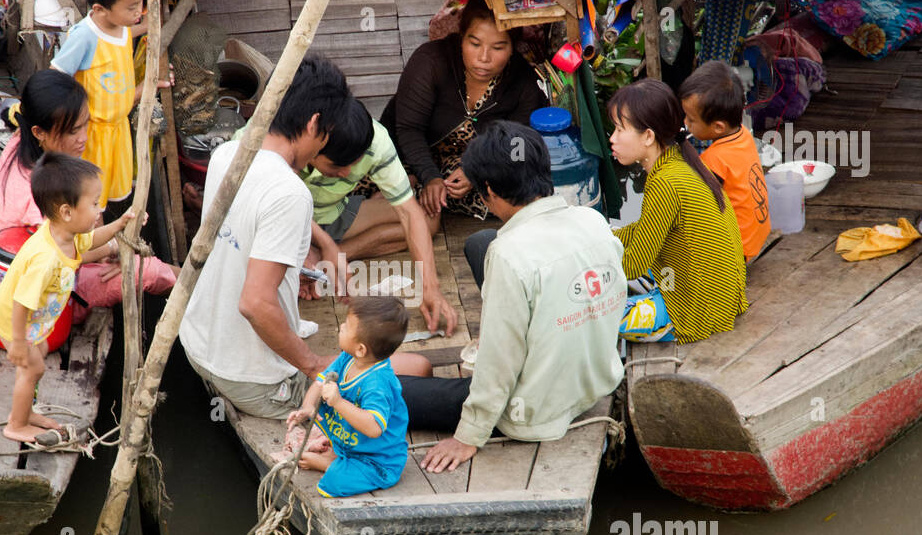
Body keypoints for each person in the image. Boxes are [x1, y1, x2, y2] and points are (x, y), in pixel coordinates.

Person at [179, 54, 429, 420]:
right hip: (255, 382)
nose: (321, 153)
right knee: (418, 367)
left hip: (197, 345)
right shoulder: (290, 192)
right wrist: (312, 368)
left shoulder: (229, 153)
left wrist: (327, 244)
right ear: (314, 123)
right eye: (326, 138)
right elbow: (255, 304)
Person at [403, 121, 627, 473]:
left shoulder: (509, 255)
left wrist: (468, 436)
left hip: (532, 410)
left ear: (488, 189)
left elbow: (499, 364)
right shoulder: (592, 220)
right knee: (481, 243)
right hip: (594, 382)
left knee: (393, 392)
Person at [0, 70, 176, 311]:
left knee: (139, 261)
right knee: (145, 270)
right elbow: (58, 256)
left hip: (38, 263)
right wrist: (115, 248)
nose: (83, 139)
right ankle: (204, 294)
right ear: (39, 132)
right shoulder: (40, 191)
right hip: (36, 297)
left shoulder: (23, 141)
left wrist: (108, 248)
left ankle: (203, 287)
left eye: (85, 125)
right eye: (73, 131)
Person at [0, 154, 140, 444]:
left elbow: (91, 241)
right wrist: (18, 342)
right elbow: (22, 301)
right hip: (13, 319)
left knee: (37, 359)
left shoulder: (65, 234)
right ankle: (16, 425)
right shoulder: (45, 259)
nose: (98, 211)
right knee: (33, 367)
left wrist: (118, 226)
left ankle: (25, 410)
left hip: (32, 322)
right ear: (67, 211)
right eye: (93, 204)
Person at [295, 97, 457, 334]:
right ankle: (310, 260)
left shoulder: (376, 139)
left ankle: (324, 260)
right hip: (285, 224)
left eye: (355, 164)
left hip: (333, 213)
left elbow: (410, 213)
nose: (347, 173)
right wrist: (300, 247)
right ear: (313, 142)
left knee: (427, 220)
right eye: (337, 166)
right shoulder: (280, 142)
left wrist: (431, 288)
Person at [607, 79, 747, 343]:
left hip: (698, 310)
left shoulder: (664, 182)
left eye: (618, 129)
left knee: (599, 316)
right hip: (721, 296)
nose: (612, 139)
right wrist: (606, 238)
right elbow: (645, 229)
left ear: (648, 136)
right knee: (614, 246)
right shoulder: (681, 160)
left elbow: (634, 265)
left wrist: (584, 268)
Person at [382, 0, 547, 219]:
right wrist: (429, 176)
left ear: (512, 49)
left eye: (498, 47)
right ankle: (407, 189)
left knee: (513, 197)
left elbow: (516, 144)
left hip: (466, 163)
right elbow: (408, 128)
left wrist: (478, 169)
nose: (484, 58)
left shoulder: (523, 82)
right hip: (405, 151)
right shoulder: (430, 61)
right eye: (475, 44)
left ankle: (412, 197)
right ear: (461, 38)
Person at [51, 0, 148, 218]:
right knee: (88, 197)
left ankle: (96, 240)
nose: (139, 11)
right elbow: (56, 74)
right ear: (100, 8)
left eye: (142, 2)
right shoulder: (84, 36)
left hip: (117, 132)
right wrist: (66, 122)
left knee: (102, 195)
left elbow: (131, 30)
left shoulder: (123, 27)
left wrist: (150, 24)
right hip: (92, 134)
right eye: (132, 6)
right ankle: (90, 248)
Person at [286, 296, 410, 497]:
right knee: (323, 401)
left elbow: (373, 427)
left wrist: (338, 402)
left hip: (377, 460)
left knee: (332, 482)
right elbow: (320, 382)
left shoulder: (378, 383)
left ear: (361, 349)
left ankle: (331, 463)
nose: (340, 327)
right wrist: (308, 407)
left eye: (347, 326)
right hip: (352, 443)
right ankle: (340, 454)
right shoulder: (347, 358)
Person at [679, 61, 770, 261]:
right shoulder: (744, 135)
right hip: (756, 235)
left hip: (736, 252)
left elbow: (694, 205)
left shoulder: (714, 160)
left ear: (718, 127)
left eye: (691, 120)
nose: (686, 123)